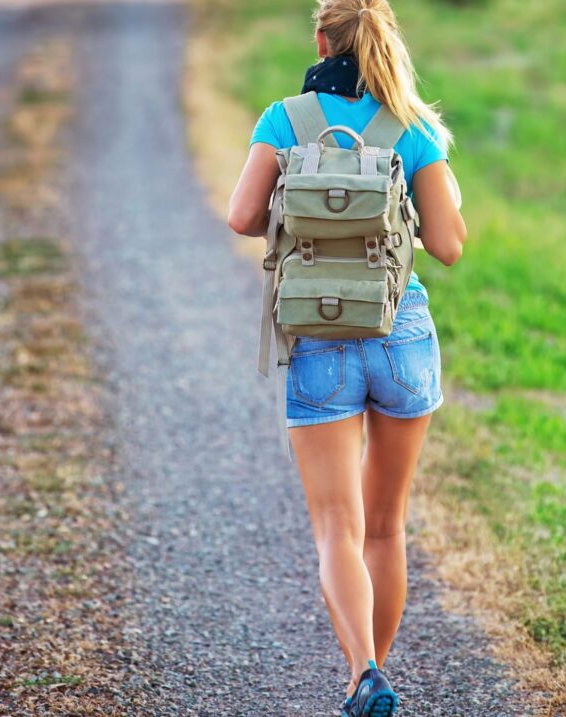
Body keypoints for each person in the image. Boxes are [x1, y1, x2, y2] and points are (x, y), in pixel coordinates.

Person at [227, 1, 467, 714]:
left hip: (319, 337)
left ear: (321, 39)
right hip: (401, 334)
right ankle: (368, 682)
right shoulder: (413, 128)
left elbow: (242, 216)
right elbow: (451, 246)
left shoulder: (284, 118)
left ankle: (365, 675)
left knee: (339, 525)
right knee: (387, 525)